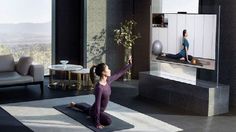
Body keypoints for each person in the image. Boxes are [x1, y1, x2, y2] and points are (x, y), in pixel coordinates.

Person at [69, 57, 132, 129]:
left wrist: (129, 65)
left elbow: (119, 73)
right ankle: (89, 114)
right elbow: (98, 105)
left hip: (94, 109)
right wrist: (97, 123)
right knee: (108, 121)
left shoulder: (108, 81)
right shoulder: (99, 88)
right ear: (103, 72)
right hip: (96, 111)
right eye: (108, 69)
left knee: (88, 110)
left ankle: (74, 105)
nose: (110, 70)